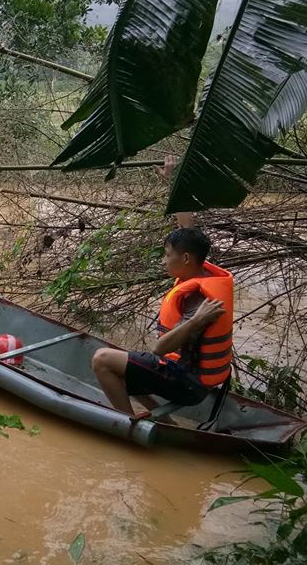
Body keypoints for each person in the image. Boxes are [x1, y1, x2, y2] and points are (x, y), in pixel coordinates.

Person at [91, 158, 234, 417]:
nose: (163, 260)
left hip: (187, 383)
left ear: (186, 259)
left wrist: (197, 321)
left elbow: (159, 349)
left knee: (102, 358)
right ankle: (164, 420)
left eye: (167, 255)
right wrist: (172, 183)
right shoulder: (200, 269)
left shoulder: (199, 298)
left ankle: (129, 425)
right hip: (193, 378)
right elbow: (187, 228)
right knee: (129, 361)